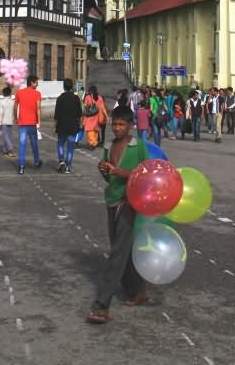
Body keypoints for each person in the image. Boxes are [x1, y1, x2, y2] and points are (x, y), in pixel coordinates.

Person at [86, 106, 149, 324]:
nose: (117, 128)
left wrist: (118, 172)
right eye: (115, 124)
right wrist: (104, 171)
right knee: (121, 248)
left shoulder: (138, 146)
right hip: (111, 200)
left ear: (130, 126)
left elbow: (145, 176)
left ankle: (101, 305)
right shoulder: (109, 145)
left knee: (117, 254)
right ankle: (135, 290)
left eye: (122, 124)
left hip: (128, 202)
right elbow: (109, 179)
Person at [13, 75, 42, 175]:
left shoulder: (19, 92)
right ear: (32, 82)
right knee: (34, 144)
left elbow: (15, 107)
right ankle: (37, 162)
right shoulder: (37, 94)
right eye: (36, 82)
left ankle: (21, 166)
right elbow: (38, 108)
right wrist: (39, 121)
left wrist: (16, 118)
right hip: (32, 123)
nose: (38, 84)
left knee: (22, 145)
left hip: (22, 124)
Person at [54, 78, 83, 173]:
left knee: (60, 144)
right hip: (73, 126)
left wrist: (55, 126)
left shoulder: (60, 98)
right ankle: (68, 166)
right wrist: (79, 124)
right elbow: (79, 114)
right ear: (72, 87)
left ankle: (61, 161)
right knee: (70, 147)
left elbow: (57, 115)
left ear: (64, 87)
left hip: (62, 126)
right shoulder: (76, 98)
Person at [0, 85, 16, 157]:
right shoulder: (13, 102)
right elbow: (15, 111)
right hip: (11, 121)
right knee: (9, 136)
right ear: (10, 93)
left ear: (3, 94)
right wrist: (15, 119)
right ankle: (5, 151)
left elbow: (1, 114)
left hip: (4, 121)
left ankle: (10, 149)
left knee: (6, 137)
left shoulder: (2, 102)